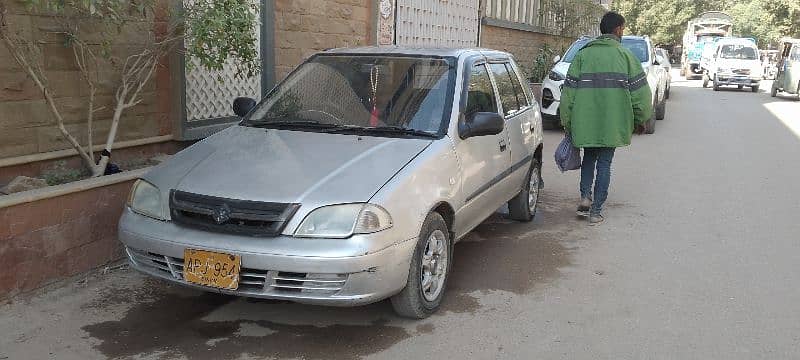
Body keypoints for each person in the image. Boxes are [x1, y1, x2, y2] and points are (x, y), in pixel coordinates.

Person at [558, 11, 653, 225]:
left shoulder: (582, 55)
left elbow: (568, 94)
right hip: (613, 123)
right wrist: (641, 119)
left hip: (585, 123)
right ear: (618, 29)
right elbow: (641, 95)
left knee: (589, 159)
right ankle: (596, 211)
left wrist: (567, 121)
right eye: (623, 28)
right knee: (605, 164)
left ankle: (585, 197)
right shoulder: (626, 56)